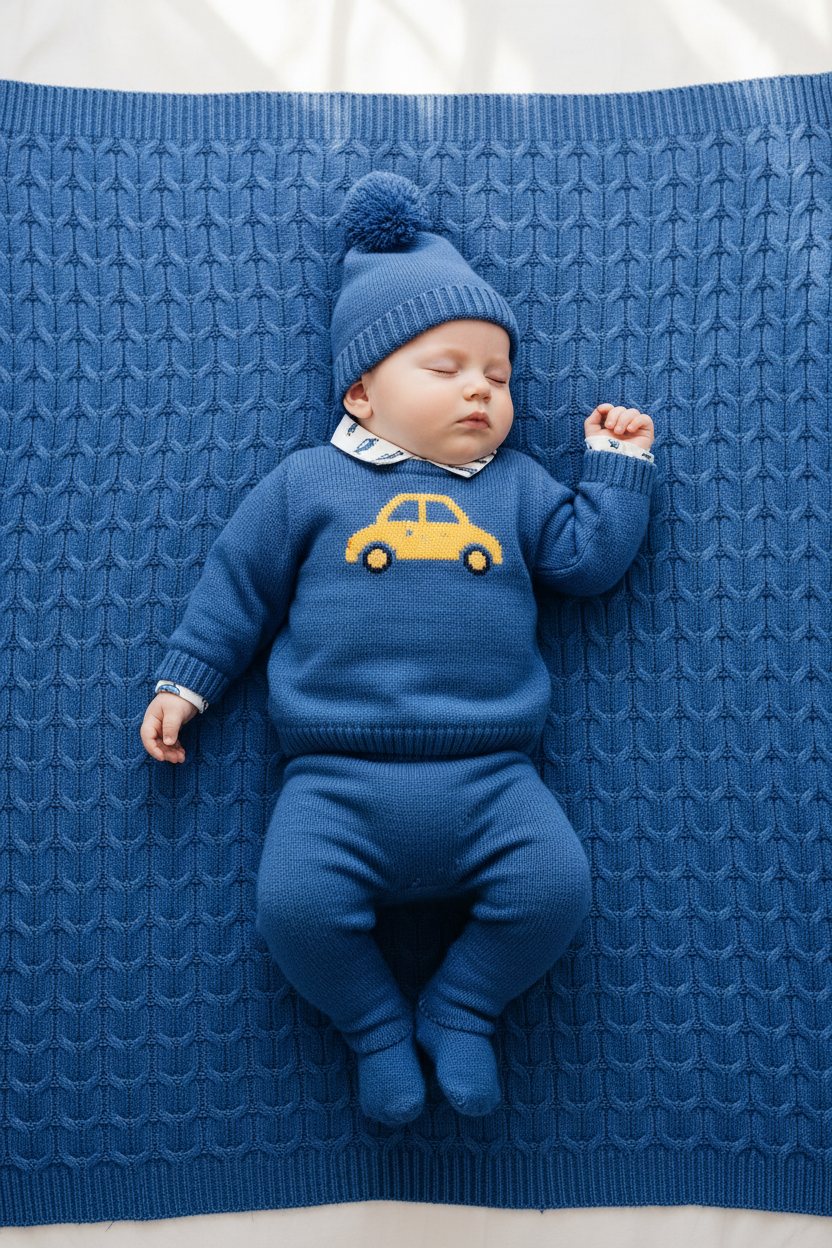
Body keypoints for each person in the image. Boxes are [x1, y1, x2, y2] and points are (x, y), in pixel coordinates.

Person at [140, 172, 657, 1127]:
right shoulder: (309, 487)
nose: (481, 391)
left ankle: (463, 1007)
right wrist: (188, 681)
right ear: (365, 394)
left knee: (555, 889)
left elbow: (586, 561)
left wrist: (616, 467)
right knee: (294, 910)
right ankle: (377, 1028)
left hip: (495, 776)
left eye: (499, 378)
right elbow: (237, 588)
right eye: (448, 368)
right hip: (335, 779)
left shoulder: (514, 485)